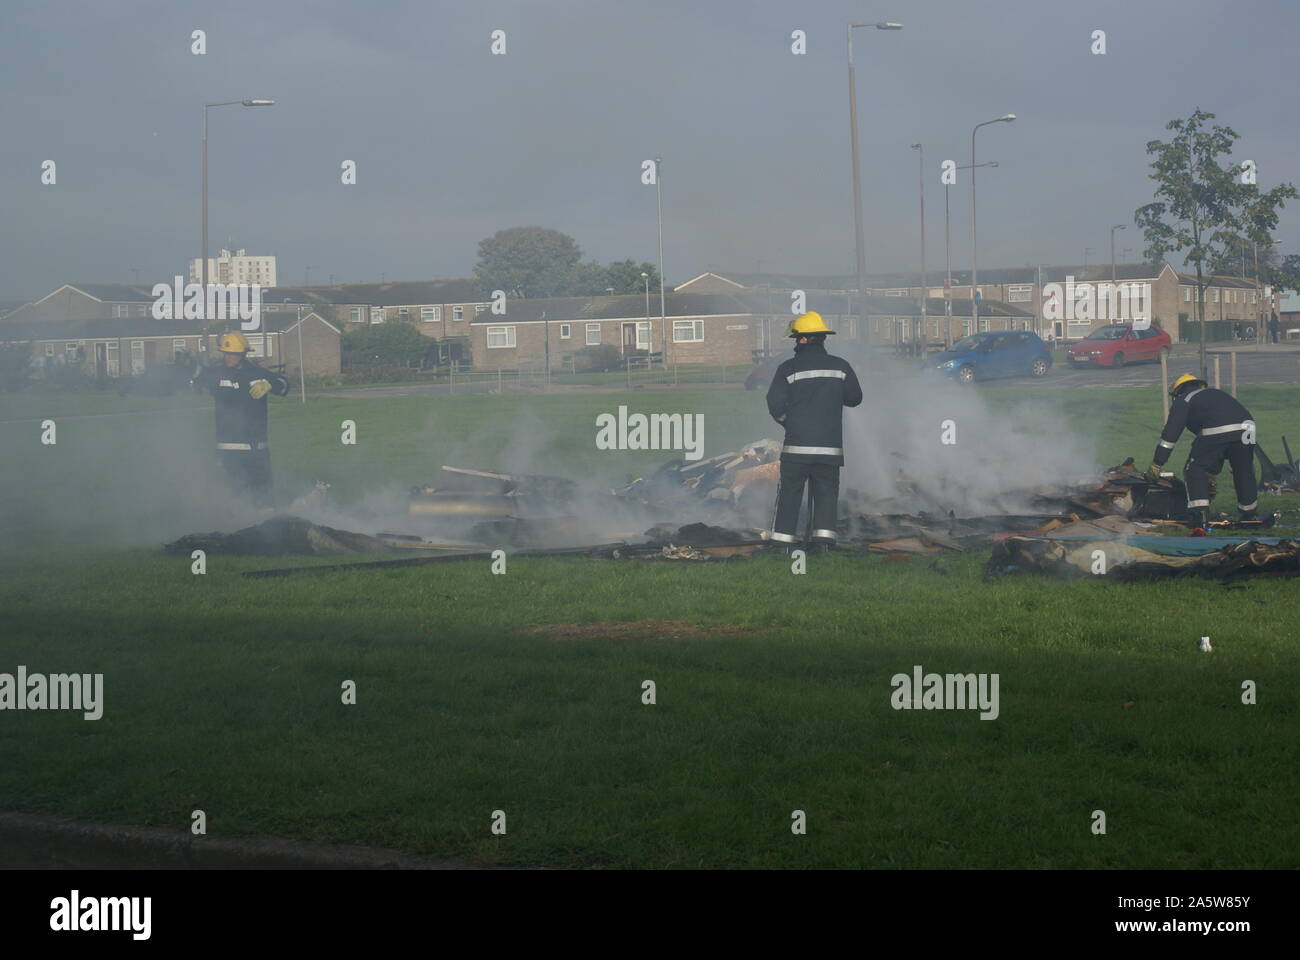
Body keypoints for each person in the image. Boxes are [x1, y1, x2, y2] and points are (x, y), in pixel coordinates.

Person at [765, 311, 863, 552]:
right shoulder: (840, 367)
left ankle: (782, 545)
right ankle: (823, 545)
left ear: (805, 339)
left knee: (790, 494)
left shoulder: (788, 368)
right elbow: (854, 398)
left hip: (797, 448)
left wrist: (789, 422)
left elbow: (774, 403)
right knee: (826, 496)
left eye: (796, 339)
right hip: (829, 449)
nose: (795, 344)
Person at [1145, 373, 1258, 528]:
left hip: (1219, 429)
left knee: (1194, 469)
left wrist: (1157, 463)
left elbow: (1170, 434)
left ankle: (1199, 516)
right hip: (1248, 428)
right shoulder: (1215, 394)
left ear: (1178, 391)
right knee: (1243, 469)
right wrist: (1212, 469)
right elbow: (1220, 444)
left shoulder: (1184, 398)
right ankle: (1249, 514)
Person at [191, 331, 290, 506]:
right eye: (226, 353)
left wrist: (270, 384)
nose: (229, 357)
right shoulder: (216, 374)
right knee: (233, 498)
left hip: (257, 448)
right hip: (228, 448)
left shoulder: (258, 373)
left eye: (234, 354)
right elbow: (196, 379)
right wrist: (191, 368)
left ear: (243, 354)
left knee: (263, 497)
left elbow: (284, 386)